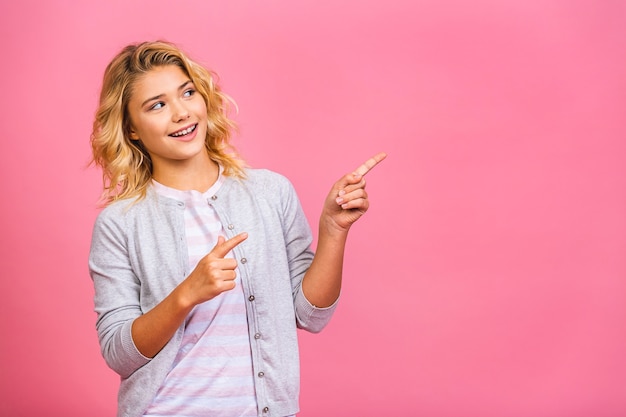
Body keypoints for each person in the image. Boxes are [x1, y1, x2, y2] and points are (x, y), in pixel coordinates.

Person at [88, 40, 386, 417]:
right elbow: (118, 353)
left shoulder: (270, 191)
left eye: (187, 93)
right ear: (131, 129)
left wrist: (333, 229)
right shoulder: (120, 223)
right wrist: (186, 295)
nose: (180, 113)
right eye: (157, 105)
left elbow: (310, 316)